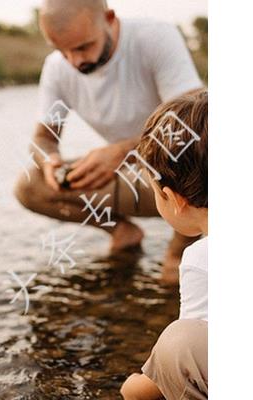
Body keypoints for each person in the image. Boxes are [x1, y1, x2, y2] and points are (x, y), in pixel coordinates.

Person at [14, 0, 204, 283]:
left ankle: (181, 250)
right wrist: (50, 160)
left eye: (82, 47)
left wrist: (122, 151)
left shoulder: (155, 37)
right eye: (61, 50)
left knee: (191, 159)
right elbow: (43, 138)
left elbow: (198, 130)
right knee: (30, 185)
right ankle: (121, 231)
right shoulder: (56, 68)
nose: (74, 61)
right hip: (137, 180)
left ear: (109, 18)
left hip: (182, 175)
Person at [120, 89, 208, 399]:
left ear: (172, 199)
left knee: (177, 343)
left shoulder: (202, 257)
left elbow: (190, 355)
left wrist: (138, 386)